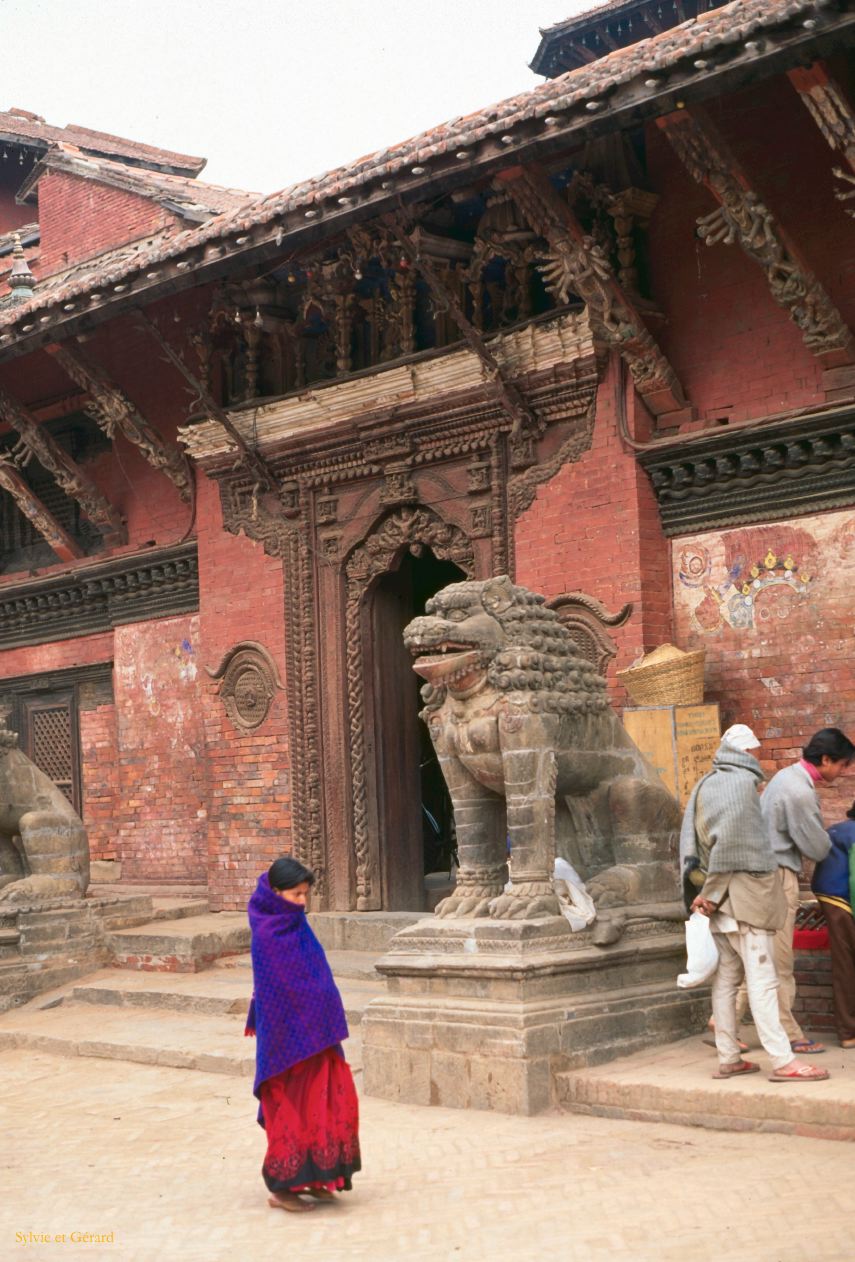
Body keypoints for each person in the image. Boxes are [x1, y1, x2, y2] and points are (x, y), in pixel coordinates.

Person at [681, 724, 829, 1082]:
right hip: (743, 899)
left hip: (720, 904)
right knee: (763, 980)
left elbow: (702, 843)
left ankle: (730, 1058)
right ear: (746, 752)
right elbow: (730, 848)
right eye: (756, 752)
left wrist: (705, 894)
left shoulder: (708, 782)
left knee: (726, 981)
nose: (759, 758)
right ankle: (783, 1061)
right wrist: (712, 894)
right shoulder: (740, 785)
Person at [245, 856, 361, 1212]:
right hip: (287, 1044)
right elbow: (278, 988)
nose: (302, 901)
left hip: (318, 1035)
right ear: (276, 892)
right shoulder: (267, 931)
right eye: (296, 894)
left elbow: (313, 970)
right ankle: (282, 1190)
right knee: (292, 1110)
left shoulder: (295, 921)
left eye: (305, 894)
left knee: (325, 1106)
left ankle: (318, 1178)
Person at [758, 727, 855, 1055]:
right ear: (825, 759)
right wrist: (833, 839)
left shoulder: (785, 778)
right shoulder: (799, 791)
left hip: (767, 873)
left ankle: (723, 1020)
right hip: (779, 874)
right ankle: (789, 1033)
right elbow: (815, 847)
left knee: (761, 955)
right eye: (842, 765)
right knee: (782, 960)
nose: (843, 772)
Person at [812, 801, 855, 1050]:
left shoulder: (837, 830)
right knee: (847, 968)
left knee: (844, 967)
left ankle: (847, 1033)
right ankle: (848, 1030)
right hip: (845, 902)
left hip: (830, 900)